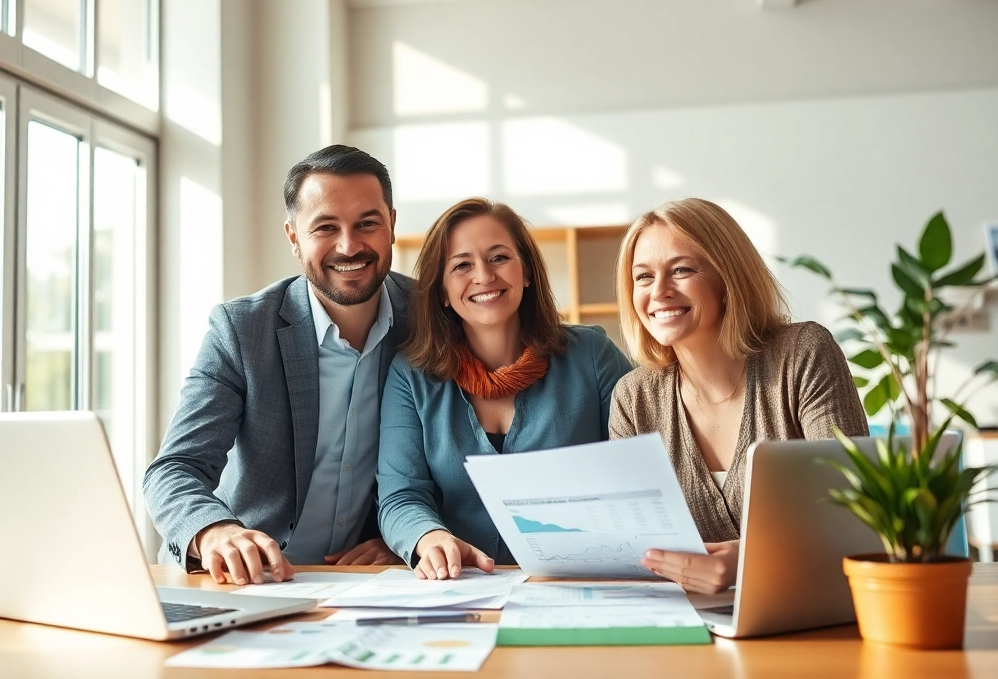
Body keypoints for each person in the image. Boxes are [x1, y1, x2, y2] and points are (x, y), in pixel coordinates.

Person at [143, 145, 409, 587]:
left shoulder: (431, 319)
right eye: (326, 227)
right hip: (245, 580)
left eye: (367, 223)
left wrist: (404, 534)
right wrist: (216, 533)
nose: (349, 245)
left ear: (392, 225)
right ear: (293, 237)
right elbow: (174, 469)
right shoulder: (242, 330)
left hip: (367, 583)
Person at [609, 198, 868, 594]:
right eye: (643, 277)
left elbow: (852, 513)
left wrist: (751, 559)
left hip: (811, 610)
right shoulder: (633, 397)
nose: (659, 291)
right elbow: (634, 541)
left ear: (728, 279)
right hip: (693, 621)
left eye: (680, 270)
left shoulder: (802, 353)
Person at [377, 198, 632, 581]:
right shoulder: (411, 375)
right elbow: (401, 495)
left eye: (499, 258)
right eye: (461, 265)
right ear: (443, 291)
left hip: (584, 580)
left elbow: (642, 473)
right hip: (461, 586)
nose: (483, 276)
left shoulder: (594, 357)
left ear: (526, 271)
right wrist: (427, 537)